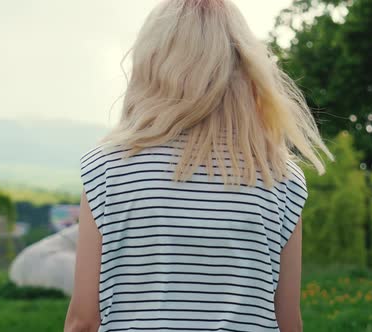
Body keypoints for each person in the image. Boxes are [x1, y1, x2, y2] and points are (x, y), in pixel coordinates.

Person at [64, 0, 331, 331]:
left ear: (152, 65)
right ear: (243, 66)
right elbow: (288, 320)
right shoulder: (280, 177)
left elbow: (83, 321)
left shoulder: (106, 169)